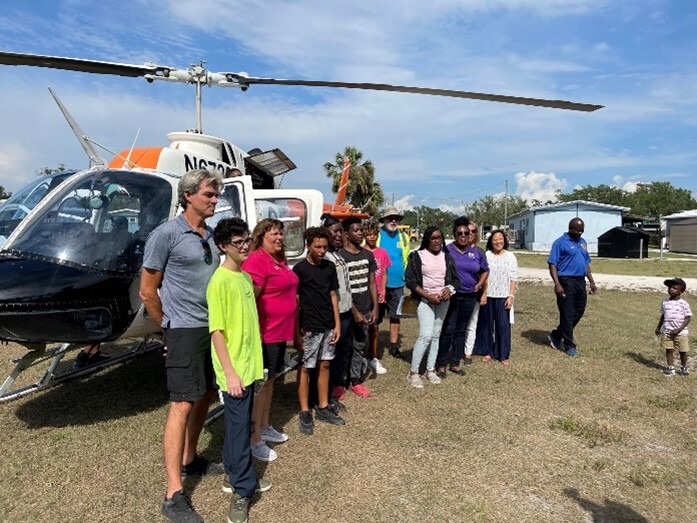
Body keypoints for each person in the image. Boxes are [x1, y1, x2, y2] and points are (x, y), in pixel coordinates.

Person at [140, 169, 224, 523]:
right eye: (208, 194)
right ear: (188, 195)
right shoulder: (166, 234)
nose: (215, 199)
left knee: (205, 393)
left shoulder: (212, 235)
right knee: (181, 405)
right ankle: (173, 493)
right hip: (184, 330)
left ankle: (190, 459)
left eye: (216, 194)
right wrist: (167, 328)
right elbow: (148, 290)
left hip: (212, 328)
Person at [206, 218, 272, 523]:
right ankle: (243, 491)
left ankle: (232, 476)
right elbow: (217, 331)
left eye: (247, 240)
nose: (245, 246)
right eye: (238, 242)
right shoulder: (219, 281)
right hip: (233, 372)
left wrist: (258, 367)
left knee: (239, 426)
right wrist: (230, 374)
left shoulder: (245, 278)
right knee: (238, 429)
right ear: (223, 246)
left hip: (250, 366)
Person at [241, 218, 299, 462]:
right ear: (261, 236)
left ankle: (264, 425)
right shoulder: (257, 260)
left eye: (280, 234)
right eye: (273, 234)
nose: (279, 238)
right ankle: (254, 439)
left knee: (271, 380)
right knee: (261, 385)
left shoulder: (279, 259)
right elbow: (248, 300)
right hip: (264, 333)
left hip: (279, 333)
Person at [293, 227, 345, 434]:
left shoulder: (330, 267)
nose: (322, 251)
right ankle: (305, 410)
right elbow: (296, 302)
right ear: (308, 246)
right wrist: (297, 331)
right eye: (318, 247)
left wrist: (337, 324)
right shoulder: (299, 270)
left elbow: (333, 295)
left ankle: (323, 406)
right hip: (309, 327)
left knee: (325, 365)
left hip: (327, 325)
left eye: (325, 247)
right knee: (306, 367)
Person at [404, 226, 458, 388]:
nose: (437, 241)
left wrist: (449, 290)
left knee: (436, 334)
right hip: (424, 300)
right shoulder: (417, 256)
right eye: (433, 238)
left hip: (443, 301)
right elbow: (410, 280)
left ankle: (430, 370)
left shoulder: (447, 257)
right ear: (427, 239)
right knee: (426, 335)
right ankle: (413, 373)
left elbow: (456, 280)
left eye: (439, 238)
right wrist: (428, 296)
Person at [435, 217, 488, 377]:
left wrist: (479, 284)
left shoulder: (476, 253)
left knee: (461, 329)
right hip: (452, 296)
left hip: (470, 296)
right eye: (460, 233)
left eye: (467, 233)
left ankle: (455, 363)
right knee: (448, 329)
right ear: (454, 234)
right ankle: (441, 364)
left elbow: (485, 269)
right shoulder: (447, 250)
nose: (464, 236)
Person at [340, 216, 379, 398]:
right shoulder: (340, 257)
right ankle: (341, 381)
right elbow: (341, 288)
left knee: (359, 345)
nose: (360, 233)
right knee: (344, 346)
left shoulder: (367, 255)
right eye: (356, 230)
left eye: (361, 230)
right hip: (346, 311)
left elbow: (372, 282)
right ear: (346, 233)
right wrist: (353, 311)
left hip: (365, 309)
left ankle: (355, 380)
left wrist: (375, 307)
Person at [547, 218, 597, 357]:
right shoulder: (560, 243)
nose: (580, 233)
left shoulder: (582, 242)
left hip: (580, 281)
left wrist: (591, 281)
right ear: (570, 228)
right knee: (567, 314)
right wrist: (557, 284)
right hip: (565, 281)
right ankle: (569, 345)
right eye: (577, 230)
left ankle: (557, 334)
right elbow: (552, 264)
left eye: (582, 231)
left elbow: (586, 263)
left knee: (579, 311)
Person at [322, 214, 353, 409]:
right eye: (336, 231)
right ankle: (324, 396)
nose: (340, 235)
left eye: (341, 231)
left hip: (346, 312)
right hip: (335, 316)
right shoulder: (325, 257)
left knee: (340, 354)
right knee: (329, 358)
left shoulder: (338, 254)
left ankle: (331, 392)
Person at [479, 230, 518, 364]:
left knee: (503, 326)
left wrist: (511, 296)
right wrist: (483, 293)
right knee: (486, 325)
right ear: (491, 241)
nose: (498, 242)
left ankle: (503, 354)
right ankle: (488, 351)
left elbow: (513, 278)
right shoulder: (486, 255)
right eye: (494, 239)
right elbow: (483, 276)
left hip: (503, 296)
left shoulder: (510, 256)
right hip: (488, 295)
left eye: (500, 239)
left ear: (505, 241)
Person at [377, 206, 410, 360]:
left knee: (395, 316)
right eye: (390, 218)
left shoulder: (403, 237)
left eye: (396, 218)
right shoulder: (376, 235)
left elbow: (406, 258)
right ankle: (373, 347)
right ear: (383, 220)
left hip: (398, 284)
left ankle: (394, 346)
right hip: (378, 284)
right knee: (376, 317)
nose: (393, 220)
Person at [363, 220, 391, 375]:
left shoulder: (382, 253)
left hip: (378, 295)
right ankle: (361, 356)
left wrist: (383, 291)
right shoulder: (361, 251)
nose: (371, 237)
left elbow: (384, 274)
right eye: (368, 234)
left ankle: (373, 356)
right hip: (363, 295)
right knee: (362, 327)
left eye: (374, 234)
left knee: (375, 326)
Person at [654, 277, 691, 376]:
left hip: (681, 333)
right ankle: (670, 368)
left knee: (683, 351)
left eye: (674, 288)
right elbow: (663, 315)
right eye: (669, 287)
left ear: (681, 290)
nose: (671, 289)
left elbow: (687, 318)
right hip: (667, 332)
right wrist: (658, 328)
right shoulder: (665, 302)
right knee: (669, 350)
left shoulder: (683, 304)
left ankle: (683, 368)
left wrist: (679, 329)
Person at [462, 222, 488, 362]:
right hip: (459, 293)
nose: (469, 233)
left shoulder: (480, 252)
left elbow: (485, 273)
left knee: (472, 323)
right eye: (466, 231)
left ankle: (468, 353)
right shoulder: (456, 249)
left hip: (474, 294)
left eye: (473, 231)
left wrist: (483, 293)